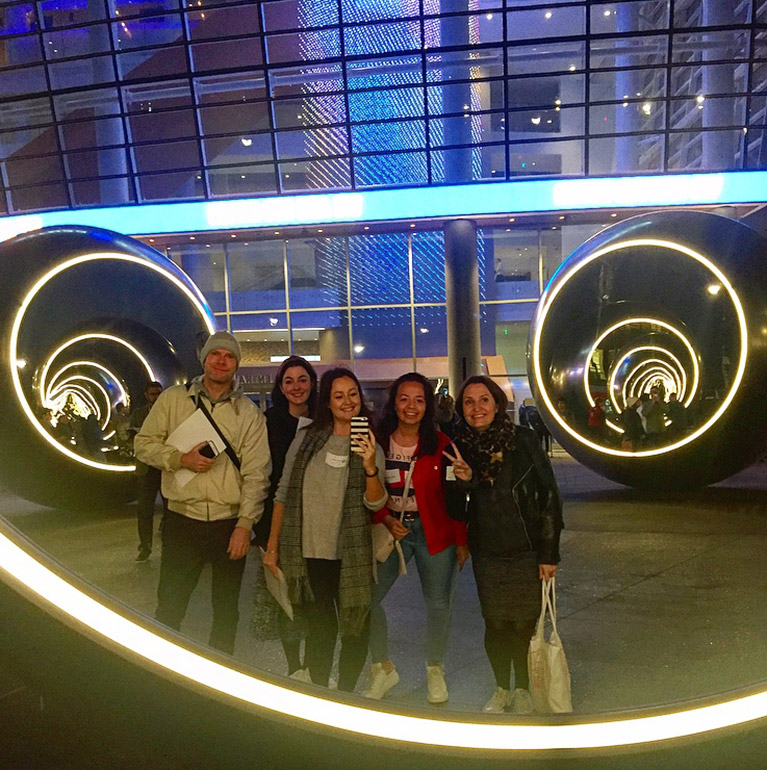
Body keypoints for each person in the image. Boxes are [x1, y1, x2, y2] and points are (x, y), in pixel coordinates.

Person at [135, 331, 271, 655]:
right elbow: (143, 444)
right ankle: (162, 671)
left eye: (229, 356)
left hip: (228, 524)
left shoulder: (249, 414)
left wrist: (245, 524)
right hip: (183, 519)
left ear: (236, 364)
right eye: (215, 354)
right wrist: (179, 459)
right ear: (205, 359)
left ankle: (220, 679)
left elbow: (257, 473)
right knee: (170, 604)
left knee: (226, 610)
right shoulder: (173, 400)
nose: (221, 360)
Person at [264, 368, 386, 692]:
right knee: (321, 628)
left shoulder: (370, 444)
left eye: (353, 394)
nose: (348, 402)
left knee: (356, 628)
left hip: (352, 556)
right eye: (339, 396)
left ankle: (345, 691)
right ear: (327, 402)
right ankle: (320, 690)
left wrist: (371, 465)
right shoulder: (306, 439)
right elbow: (283, 491)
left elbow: (375, 504)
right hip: (310, 553)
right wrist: (273, 546)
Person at [447, 375, 563, 715]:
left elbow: (549, 496)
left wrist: (549, 552)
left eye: (484, 400)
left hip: (527, 550)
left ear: (497, 404)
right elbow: (454, 508)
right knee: (496, 624)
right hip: (489, 552)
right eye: (468, 402)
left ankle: (524, 688)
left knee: (525, 625)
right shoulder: (457, 447)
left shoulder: (523, 440)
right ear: (461, 409)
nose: (477, 408)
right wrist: (462, 483)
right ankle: (502, 687)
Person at [364, 373, 469, 704]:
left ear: (429, 406)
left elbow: (455, 498)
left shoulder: (441, 445)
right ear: (393, 402)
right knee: (365, 599)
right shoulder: (377, 441)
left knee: (438, 604)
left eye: (419, 400)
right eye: (404, 399)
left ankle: (434, 668)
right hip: (389, 530)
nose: (411, 407)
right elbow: (364, 487)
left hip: (433, 530)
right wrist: (384, 518)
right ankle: (383, 668)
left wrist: (461, 540)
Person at [253, 355, 317, 680]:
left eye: (302, 379)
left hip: (318, 521)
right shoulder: (269, 423)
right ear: (280, 386)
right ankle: (295, 668)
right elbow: (260, 475)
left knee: (315, 597)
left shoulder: (324, 420)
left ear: (312, 382)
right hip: (276, 520)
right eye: (288, 381)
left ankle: (315, 665)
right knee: (285, 597)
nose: (296, 387)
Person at [130, 381, 166, 562]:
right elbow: (133, 437)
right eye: (153, 394)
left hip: (165, 466)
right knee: (144, 509)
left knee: (171, 507)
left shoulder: (169, 413)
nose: (156, 397)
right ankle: (145, 546)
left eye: (159, 393)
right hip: (146, 468)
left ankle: (170, 545)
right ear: (146, 395)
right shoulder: (138, 414)